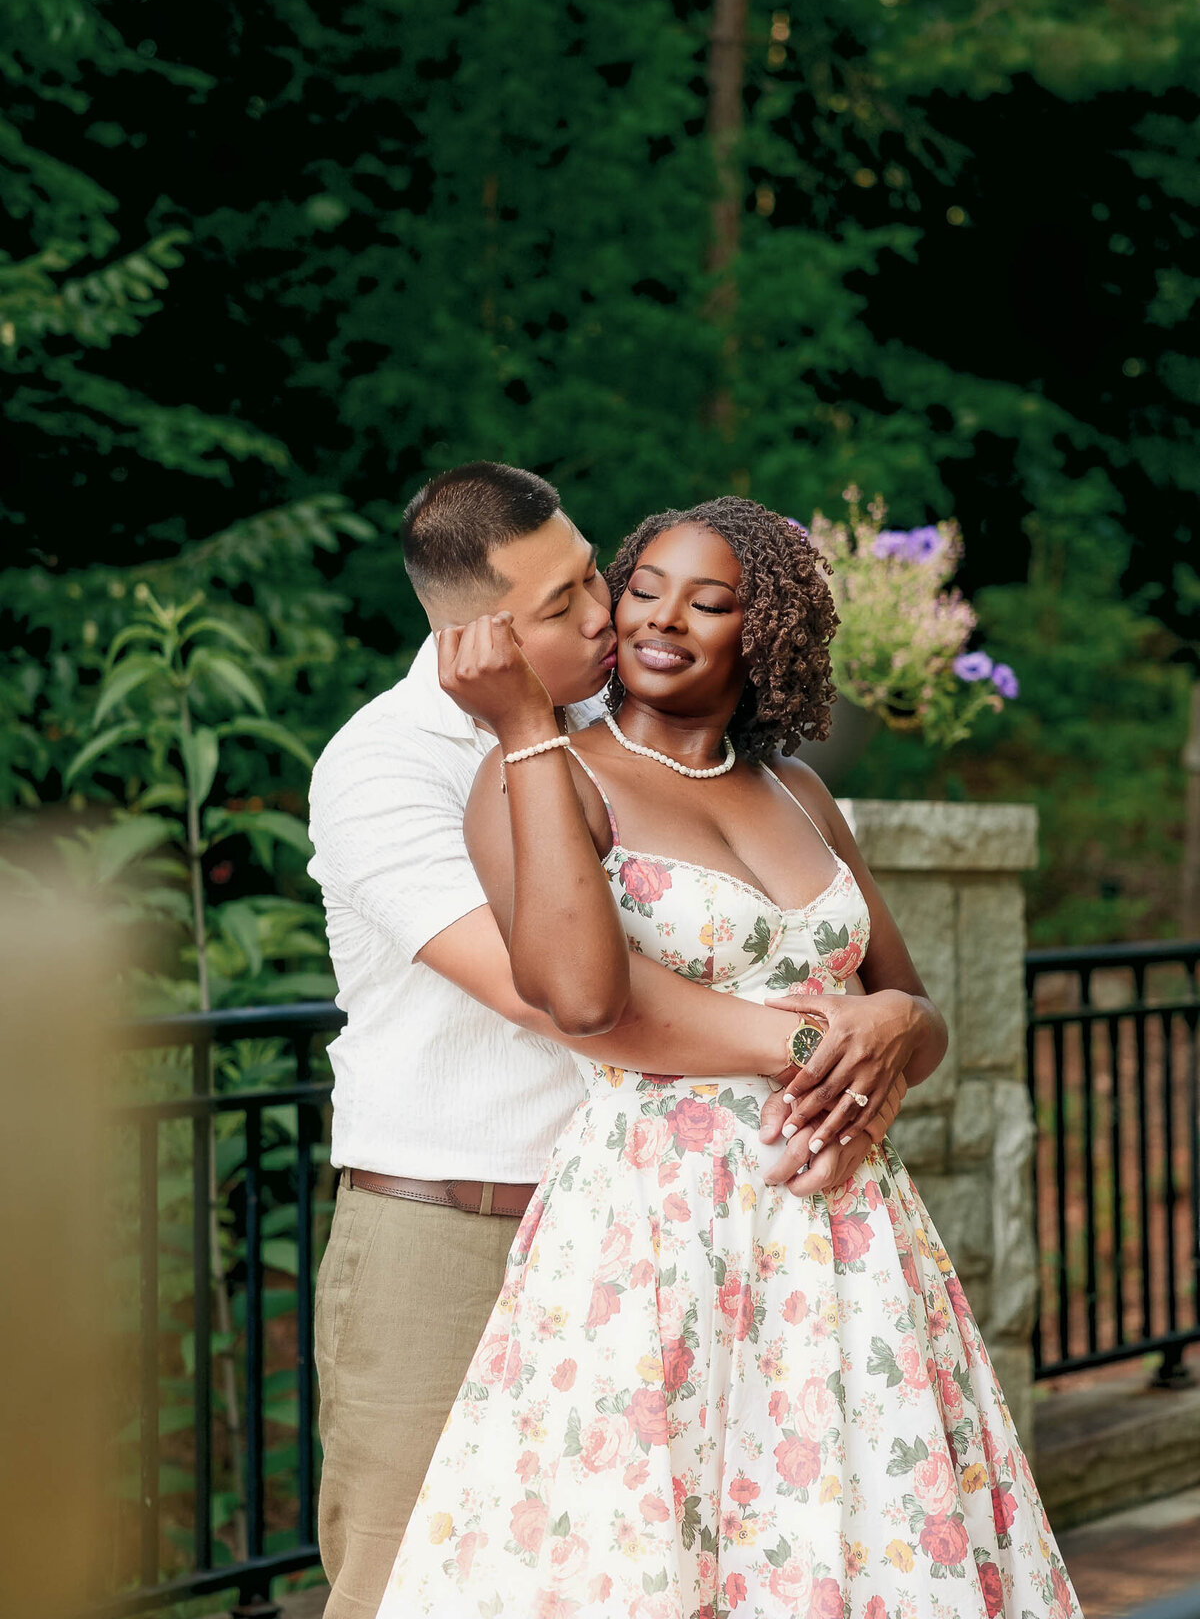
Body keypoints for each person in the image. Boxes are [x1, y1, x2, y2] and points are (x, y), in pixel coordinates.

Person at [379, 497, 1082, 1618]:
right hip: (654, 1225)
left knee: (850, 1538)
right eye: (643, 589)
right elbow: (580, 997)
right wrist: (523, 733)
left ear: (770, 632)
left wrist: (897, 1026)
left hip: (846, 1241)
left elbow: (915, 1012)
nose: (660, 621)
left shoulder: (802, 793)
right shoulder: (550, 778)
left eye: (709, 603)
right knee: (646, 1547)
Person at [307, 466, 905, 1619]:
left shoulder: (614, 735)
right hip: (456, 1224)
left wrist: (897, 1015)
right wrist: (825, 1037)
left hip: (641, 1230)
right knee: (407, 1586)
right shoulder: (385, 770)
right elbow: (572, 1000)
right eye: (560, 607)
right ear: (480, 637)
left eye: (594, 576)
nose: (603, 617)